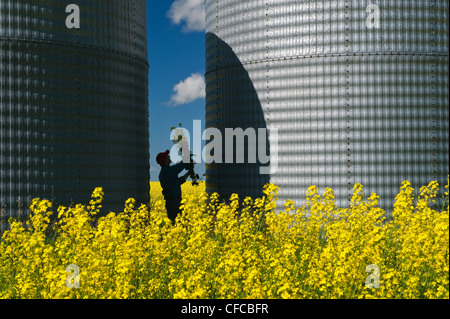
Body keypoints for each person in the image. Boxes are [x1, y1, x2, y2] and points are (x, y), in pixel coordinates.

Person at [156, 150, 192, 224]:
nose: (169, 157)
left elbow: (177, 182)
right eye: (167, 156)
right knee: (179, 223)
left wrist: (188, 173)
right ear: (165, 160)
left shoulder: (164, 172)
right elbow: (179, 167)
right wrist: (187, 157)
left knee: (175, 224)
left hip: (171, 202)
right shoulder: (168, 170)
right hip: (174, 203)